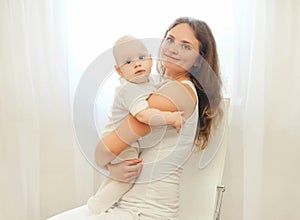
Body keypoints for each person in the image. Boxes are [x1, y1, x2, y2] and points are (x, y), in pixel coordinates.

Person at [48, 16, 223, 220]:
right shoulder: (157, 86)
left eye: (186, 46)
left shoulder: (177, 92)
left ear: (198, 61)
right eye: (170, 39)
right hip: (124, 205)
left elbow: (105, 150)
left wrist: (109, 166)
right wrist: (112, 169)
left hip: (145, 212)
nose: (173, 49)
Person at [87, 35, 184, 215]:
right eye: (129, 62)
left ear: (149, 59)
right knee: (128, 178)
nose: (137, 64)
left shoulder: (147, 82)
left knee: (118, 174)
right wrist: (171, 118)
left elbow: (154, 91)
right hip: (118, 137)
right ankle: (97, 206)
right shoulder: (129, 89)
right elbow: (143, 115)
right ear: (119, 71)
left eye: (141, 58)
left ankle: (99, 200)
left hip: (122, 138)